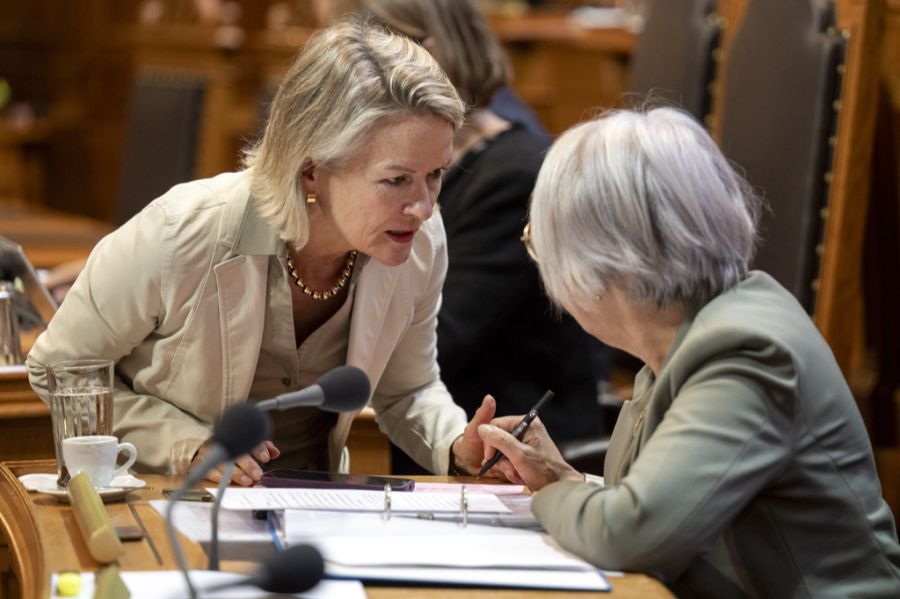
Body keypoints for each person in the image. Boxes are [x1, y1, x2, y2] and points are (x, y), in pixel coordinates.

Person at [27, 17, 498, 485]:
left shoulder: (418, 243)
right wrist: (186, 444)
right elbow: (58, 369)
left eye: (435, 175)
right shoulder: (182, 231)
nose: (423, 207)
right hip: (170, 500)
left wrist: (458, 443)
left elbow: (408, 390)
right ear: (311, 169)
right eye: (396, 180)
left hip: (321, 509)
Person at [476, 107, 900, 596]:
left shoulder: (744, 352)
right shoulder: (688, 336)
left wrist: (552, 496)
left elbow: (631, 536)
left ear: (605, 257)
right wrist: (563, 476)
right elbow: (666, 508)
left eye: (542, 243)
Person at [362, 0, 602, 457]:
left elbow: (439, 340)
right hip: (441, 440)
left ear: (423, 56)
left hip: (510, 454)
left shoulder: (516, 174)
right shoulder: (445, 171)